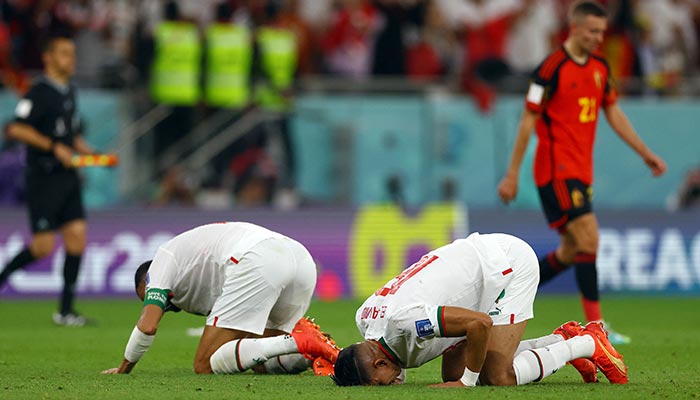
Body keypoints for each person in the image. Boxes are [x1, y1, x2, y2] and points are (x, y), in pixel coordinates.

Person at [496, 0, 667, 344]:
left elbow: (614, 113)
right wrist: (512, 173)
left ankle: (504, 297)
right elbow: (528, 119)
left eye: (601, 32)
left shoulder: (601, 68)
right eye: (592, 31)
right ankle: (597, 328)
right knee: (590, 238)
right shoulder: (551, 68)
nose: (597, 38)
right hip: (555, 170)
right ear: (574, 28)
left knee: (572, 251)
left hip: (580, 171)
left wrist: (645, 153)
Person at [331, 232, 628, 387]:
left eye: (379, 386)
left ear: (380, 365)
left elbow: (479, 324)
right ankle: (562, 340)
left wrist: (465, 384)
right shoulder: (365, 318)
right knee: (454, 370)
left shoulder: (407, 323)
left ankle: (587, 342)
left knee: (498, 376)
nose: (388, 387)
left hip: (504, 268)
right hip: (472, 271)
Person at [101, 222, 339, 375]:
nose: (165, 306)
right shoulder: (192, 270)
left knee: (204, 365)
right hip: (298, 258)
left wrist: (123, 369)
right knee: (263, 363)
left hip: (257, 259)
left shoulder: (161, 262)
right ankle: (316, 353)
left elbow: (148, 325)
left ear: (147, 281)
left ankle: (300, 341)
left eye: (148, 297)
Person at [0, 35, 96, 326]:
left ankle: (65, 311)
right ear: (48, 58)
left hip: (67, 178)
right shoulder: (38, 92)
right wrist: (54, 148)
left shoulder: (69, 91)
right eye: (65, 53)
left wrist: (90, 153)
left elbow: (69, 135)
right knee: (43, 246)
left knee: (77, 238)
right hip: (43, 178)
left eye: (73, 53)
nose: (71, 58)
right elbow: (16, 130)